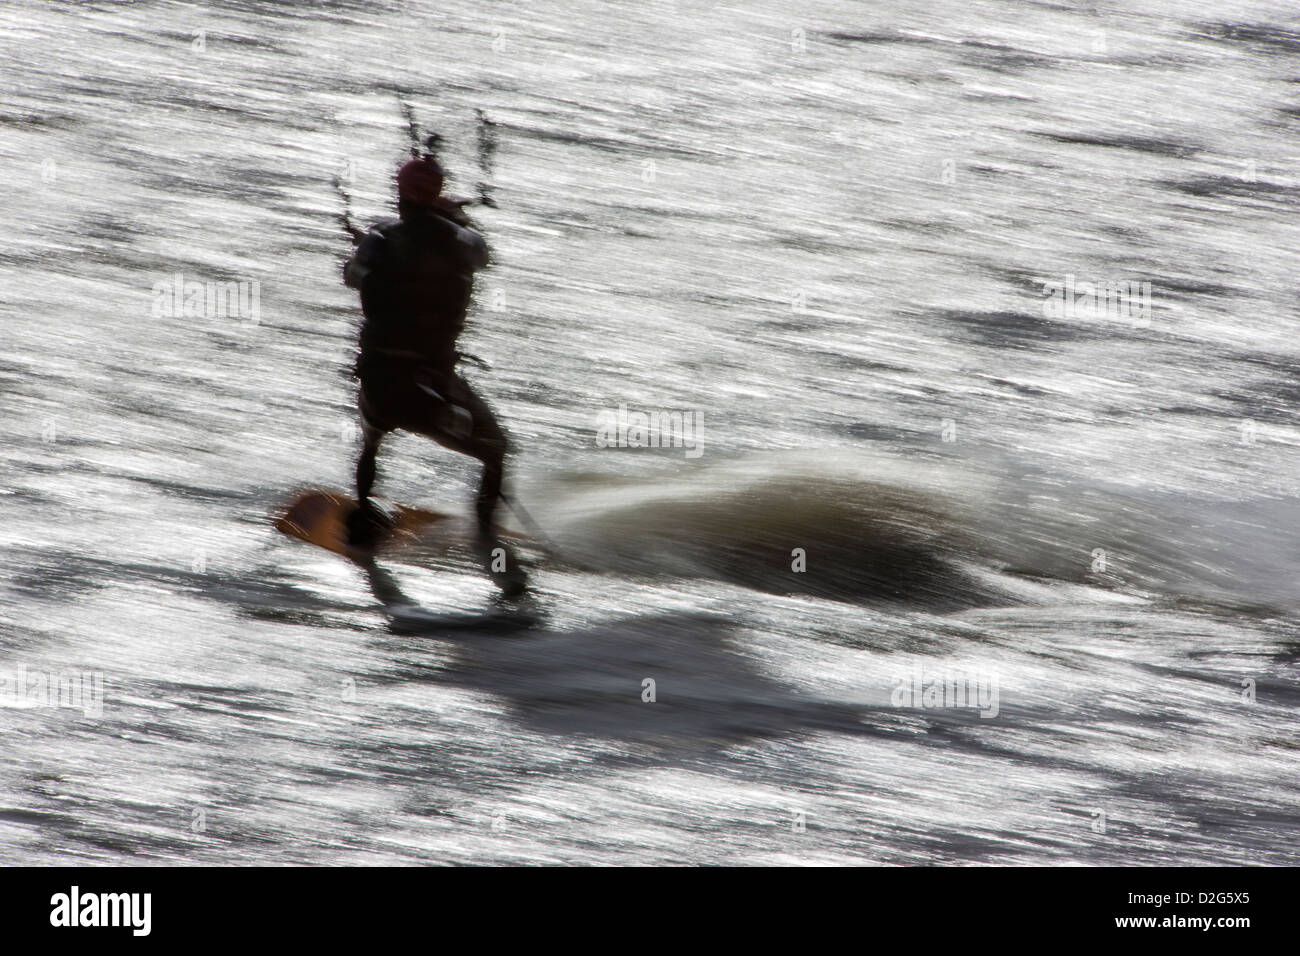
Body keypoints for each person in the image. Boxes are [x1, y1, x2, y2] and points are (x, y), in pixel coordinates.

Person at [342, 154, 526, 596]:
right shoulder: (464, 240)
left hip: (382, 385)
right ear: (438, 196)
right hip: (433, 389)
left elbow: (351, 277)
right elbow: (481, 254)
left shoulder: (379, 239)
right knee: (498, 451)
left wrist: (372, 240)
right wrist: (453, 216)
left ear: (399, 195)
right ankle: (486, 537)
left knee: (371, 438)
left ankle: (364, 515)